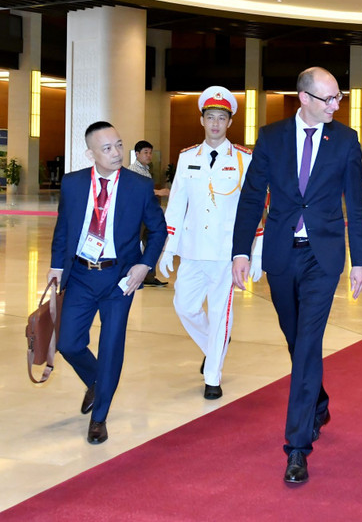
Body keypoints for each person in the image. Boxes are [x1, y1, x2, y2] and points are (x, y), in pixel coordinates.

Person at [231, 67, 362, 484]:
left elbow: (355, 203)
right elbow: (252, 195)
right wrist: (240, 250)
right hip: (280, 253)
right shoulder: (271, 137)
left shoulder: (345, 140)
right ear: (304, 98)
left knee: (309, 342)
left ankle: (297, 447)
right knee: (295, 339)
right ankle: (318, 399)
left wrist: (360, 259)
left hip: (323, 256)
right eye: (329, 98)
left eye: (338, 98)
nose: (337, 105)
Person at [47, 121, 167, 444]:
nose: (116, 153)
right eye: (107, 148)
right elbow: (64, 230)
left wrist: (144, 265)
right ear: (91, 154)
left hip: (120, 278)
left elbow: (158, 230)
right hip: (82, 275)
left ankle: (99, 417)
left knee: (111, 347)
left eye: (118, 145)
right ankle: (96, 382)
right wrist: (56, 267)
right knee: (68, 342)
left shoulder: (138, 187)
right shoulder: (72, 185)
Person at [158, 86, 263, 400]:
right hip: (192, 250)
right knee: (184, 306)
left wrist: (257, 250)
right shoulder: (188, 157)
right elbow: (176, 203)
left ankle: (213, 376)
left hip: (226, 253)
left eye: (221, 118)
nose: (215, 123)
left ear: (229, 122)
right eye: (210, 117)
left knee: (220, 314)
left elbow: (254, 207)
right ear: (202, 120)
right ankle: (215, 344)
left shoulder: (245, 159)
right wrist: (168, 245)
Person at [129, 140, 169, 287]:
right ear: (137, 154)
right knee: (134, 242)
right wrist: (160, 192)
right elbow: (138, 192)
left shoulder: (145, 170)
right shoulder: (133, 170)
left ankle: (149, 276)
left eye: (150, 152)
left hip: (147, 214)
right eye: (145, 152)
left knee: (150, 243)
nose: (149, 155)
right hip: (137, 215)